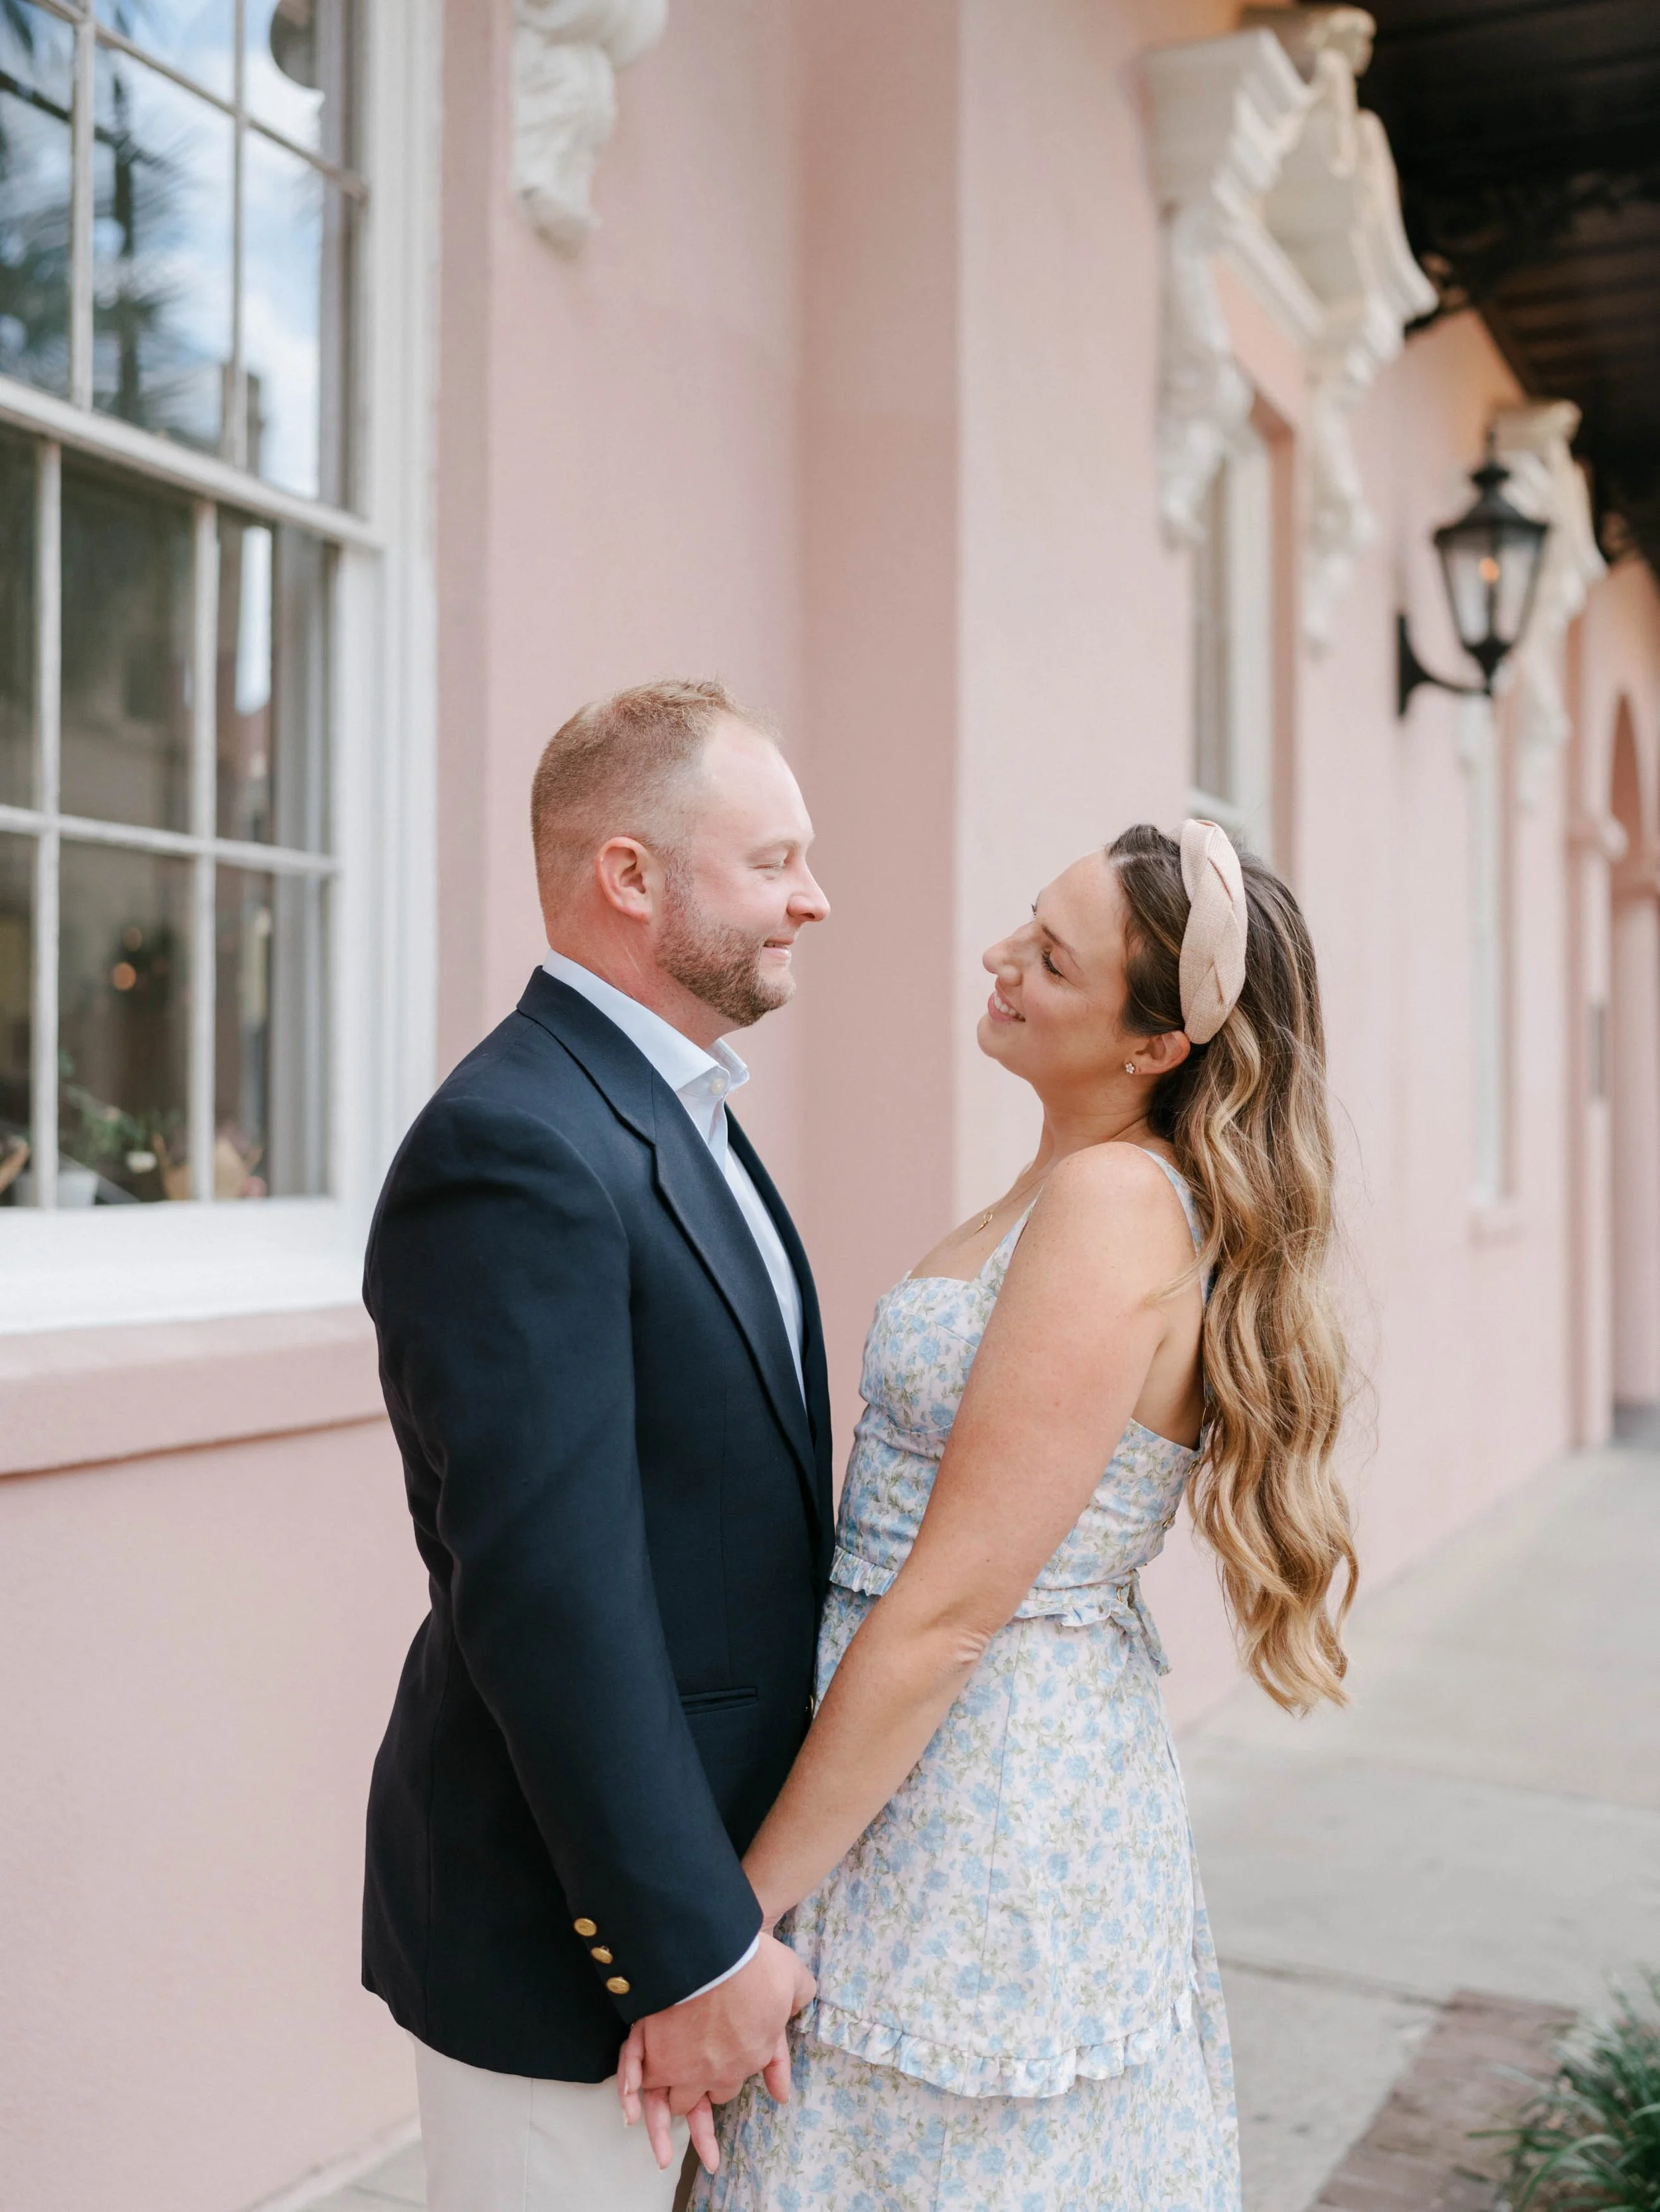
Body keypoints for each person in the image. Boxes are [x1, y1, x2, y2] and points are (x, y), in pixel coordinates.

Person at [626, 819, 1355, 2209]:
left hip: (968, 1790)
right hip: (916, 1764)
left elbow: (954, 1612)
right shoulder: (1066, 1183)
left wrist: (729, 1928)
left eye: (1051, 960)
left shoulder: (1109, 1206)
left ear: (1153, 1048)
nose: (998, 958)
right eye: (1026, 924)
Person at [361, 679, 832, 2211]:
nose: (810, 901)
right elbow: (546, 1598)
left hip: (715, 1904)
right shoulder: (512, 1145)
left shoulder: (672, 1109)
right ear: (628, 877)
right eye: (770, 862)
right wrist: (688, 1950)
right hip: (573, 1940)